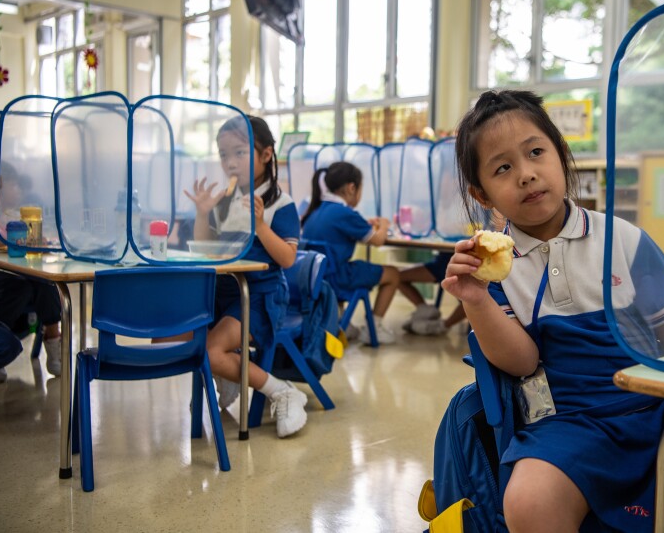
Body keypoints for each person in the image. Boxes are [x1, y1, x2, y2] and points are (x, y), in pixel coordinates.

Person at [442, 89, 664, 533]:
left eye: (536, 152)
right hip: (565, 426)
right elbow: (522, 362)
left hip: (662, 415)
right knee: (528, 504)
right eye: (503, 167)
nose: (526, 174)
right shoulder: (490, 267)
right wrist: (476, 299)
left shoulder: (623, 238)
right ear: (482, 194)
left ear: (561, 155)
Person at [184, 115, 308, 438]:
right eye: (223, 155)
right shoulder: (225, 201)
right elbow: (207, 249)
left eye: (239, 153)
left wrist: (262, 226)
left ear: (267, 155)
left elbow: (288, 258)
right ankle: (226, 375)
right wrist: (202, 213)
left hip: (260, 297)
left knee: (210, 351)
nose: (230, 162)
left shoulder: (281, 203)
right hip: (222, 292)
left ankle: (282, 391)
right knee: (174, 336)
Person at [300, 162, 400, 345]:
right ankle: (374, 329)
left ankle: (339, 322)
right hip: (337, 278)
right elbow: (378, 241)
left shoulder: (315, 210)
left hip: (314, 278)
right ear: (351, 188)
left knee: (347, 265)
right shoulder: (345, 213)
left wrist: (363, 223)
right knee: (393, 274)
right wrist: (384, 225)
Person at [0, 162, 63, 382]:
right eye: (13, 185)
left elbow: (4, 238)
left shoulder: (3, 212)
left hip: (3, 275)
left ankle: (53, 337)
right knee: (31, 280)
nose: (17, 190)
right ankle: (51, 335)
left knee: (37, 279)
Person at [398, 253, 467, 335]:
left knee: (471, 299)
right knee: (396, 276)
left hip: (464, 266)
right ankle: (424, 309)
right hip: (441, 263)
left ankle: (442, 326)